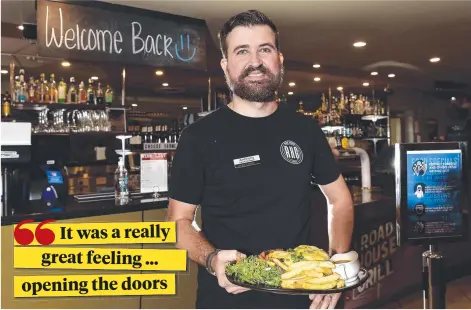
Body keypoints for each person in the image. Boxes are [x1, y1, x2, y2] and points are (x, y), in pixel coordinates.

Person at [168, 10, 354, 309]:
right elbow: (178, 223)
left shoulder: (305, 130)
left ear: (279, 59)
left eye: (264, 49)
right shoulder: (198, 137)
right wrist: (213, 258)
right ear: (226, 65)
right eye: (242, 51)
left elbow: (340, 200)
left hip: (299, 295)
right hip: (226, 299)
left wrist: (335, 270)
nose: (255, 61)